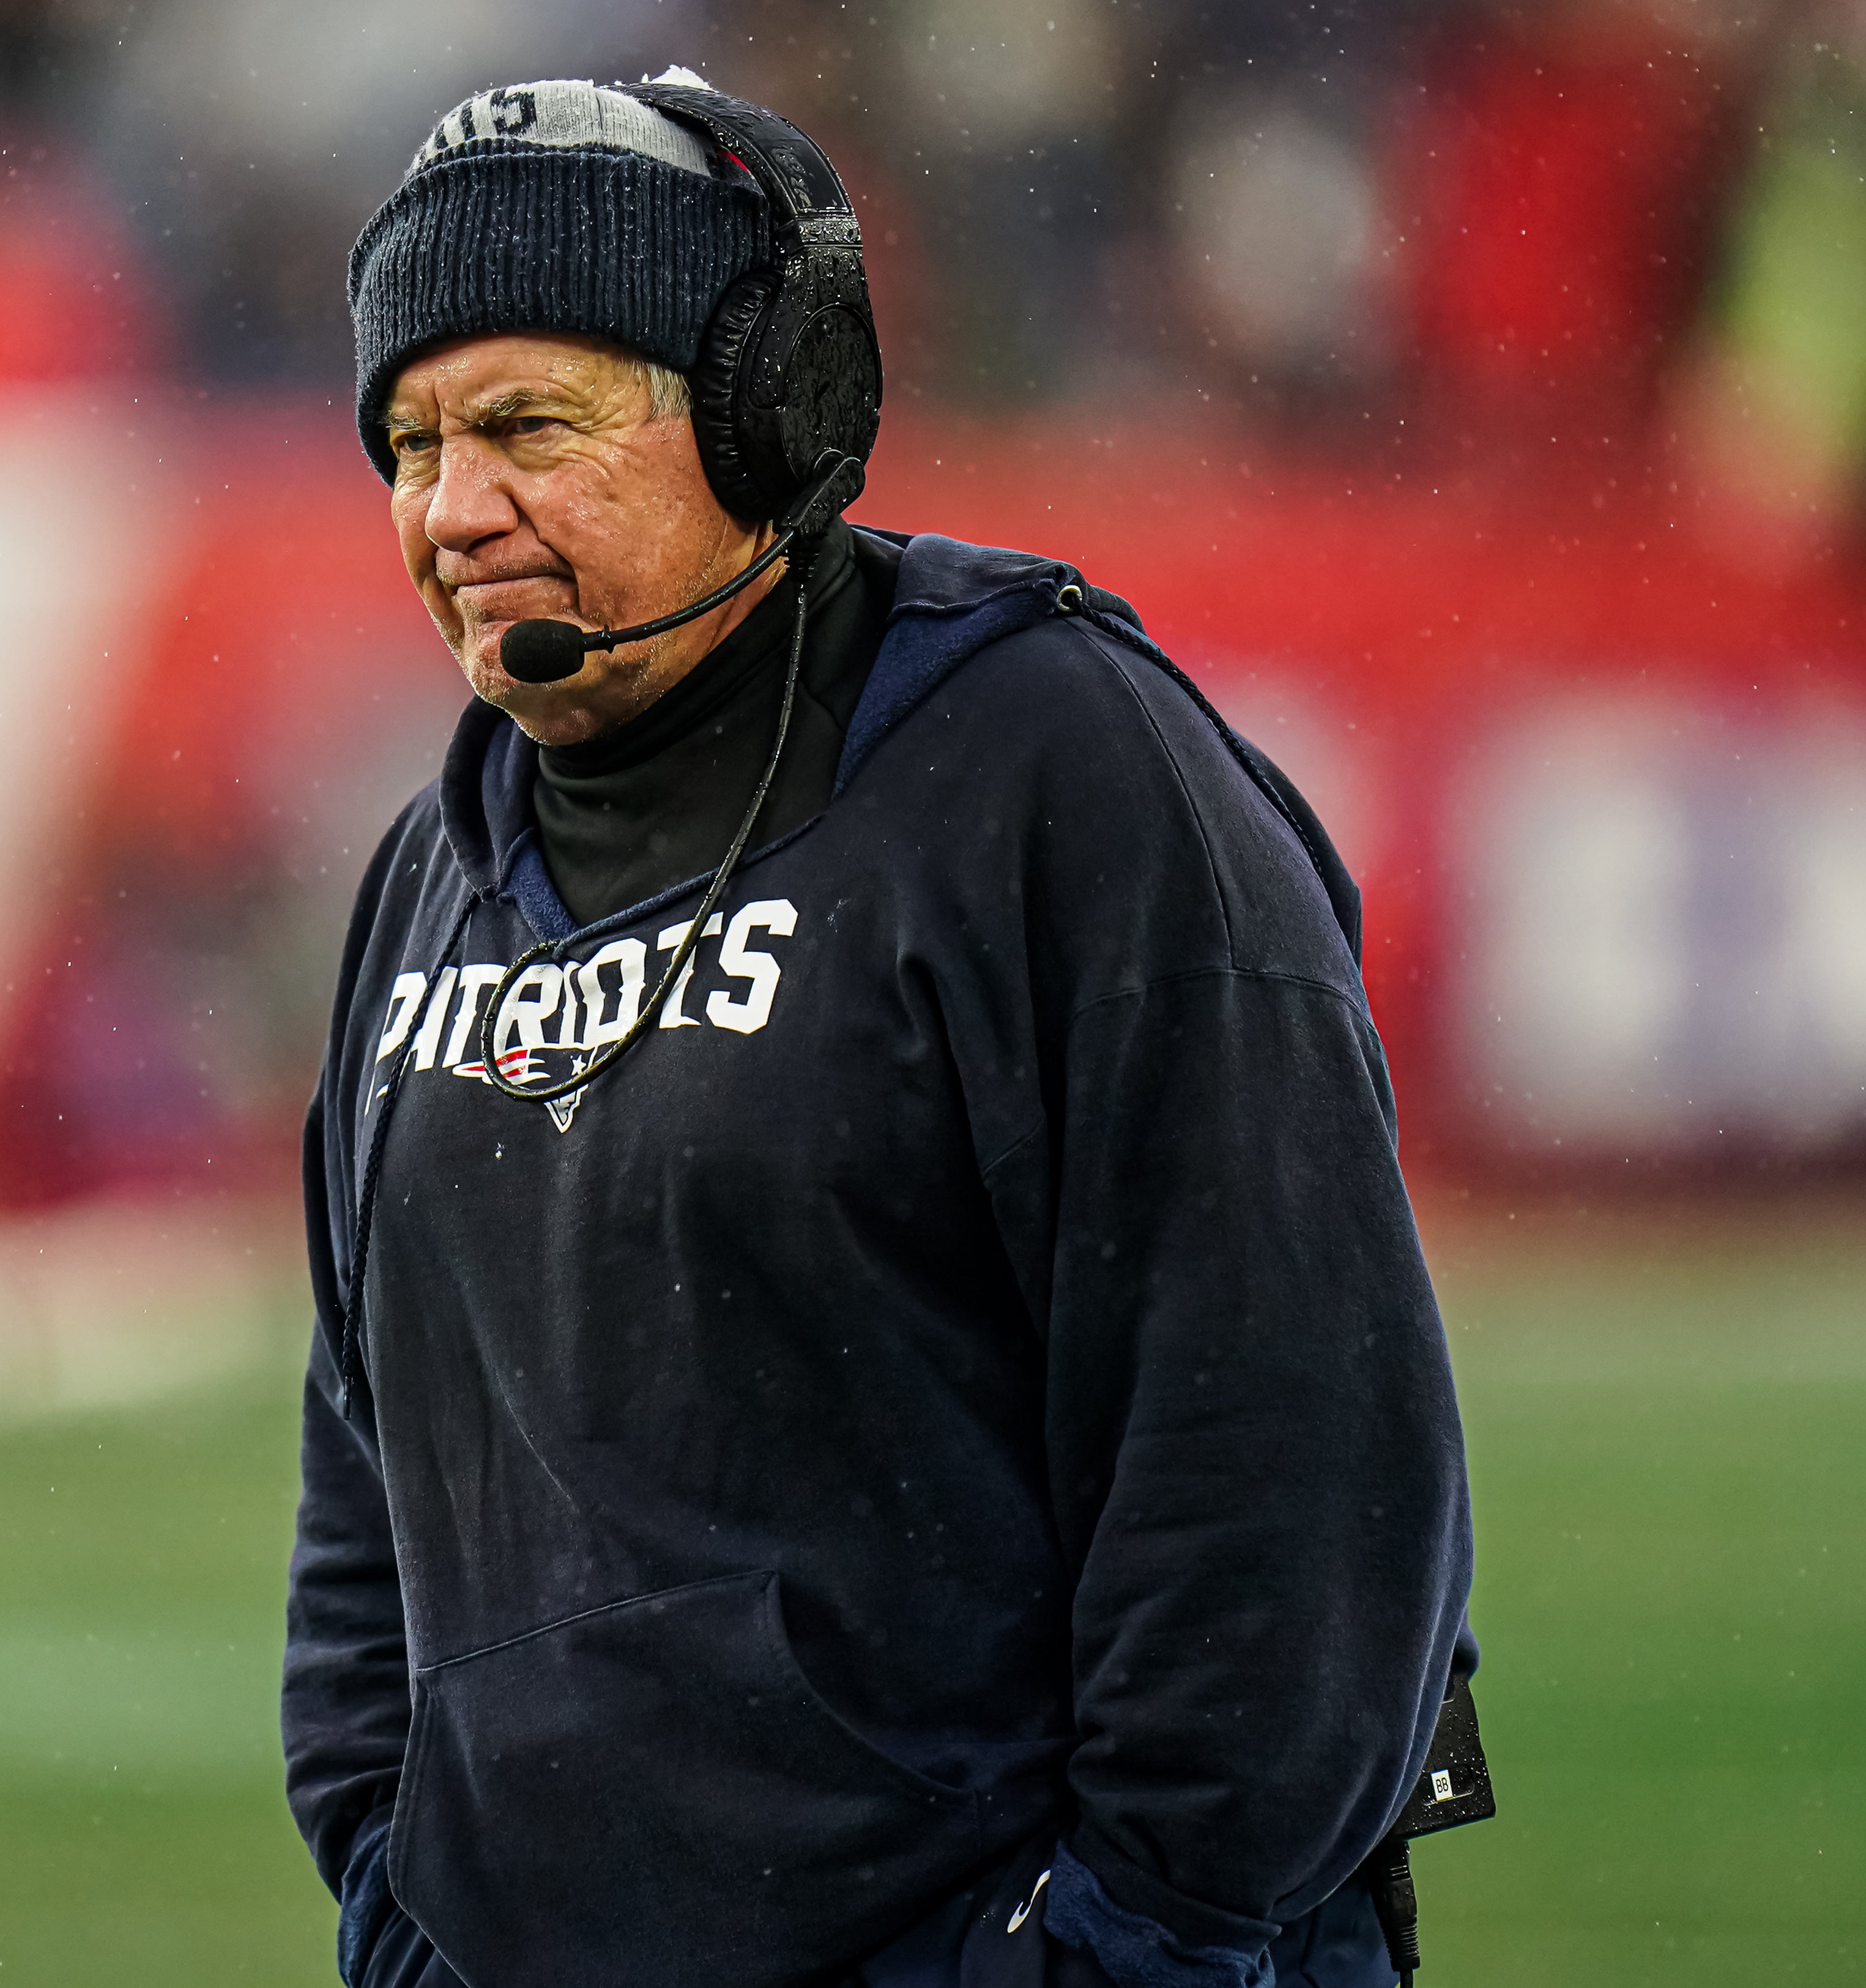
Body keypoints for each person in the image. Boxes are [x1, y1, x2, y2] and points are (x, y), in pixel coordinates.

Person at [281, 73, 1474, 1988]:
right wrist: (402, 1905)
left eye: (527, 426)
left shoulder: (1059, 771)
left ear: (769, 414)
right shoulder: (432, 865)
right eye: (408, 443)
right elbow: (367, 1501)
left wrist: (1119, 1947)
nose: (452, 509)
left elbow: (1289, 1453)